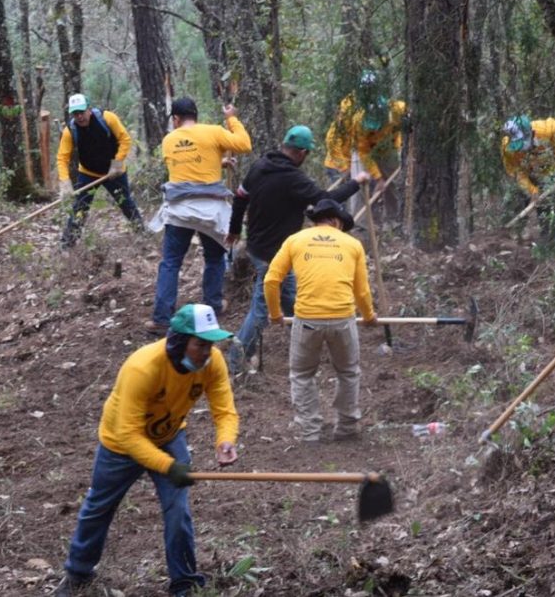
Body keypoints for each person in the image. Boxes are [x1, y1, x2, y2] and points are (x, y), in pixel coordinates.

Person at [56, 303, 239, 597]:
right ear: (179, 341)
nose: (206, 352)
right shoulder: (142, 367)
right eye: (200, 345)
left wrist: (225, 441)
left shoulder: (212, 362)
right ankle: (78, 573)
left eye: (211, 344)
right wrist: (169, 466)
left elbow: (224, 410)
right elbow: (128, 435)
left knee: (178, 511)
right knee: (98, 508)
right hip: (119, 445)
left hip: (168, 436)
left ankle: (184, 583)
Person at [226, 125, 370, 368]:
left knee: (291, 297)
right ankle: (236, 360)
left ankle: (312, 339)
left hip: (261, 245)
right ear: (302, 153)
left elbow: (240, 197)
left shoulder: (260, 166)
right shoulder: (293, 178)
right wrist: (356, 182)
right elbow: (327, 200)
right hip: (273, 252)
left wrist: (234, 229)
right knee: (261, 311)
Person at [265, 199, 377, 442]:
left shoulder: (295, 240)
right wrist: (368, 316)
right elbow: (362, 292)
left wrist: (275, 314)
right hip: (343, 320)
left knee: (302, 374)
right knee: (348, 372)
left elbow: (271, 281)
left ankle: (309, 431)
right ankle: (347, 428)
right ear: (336, 221)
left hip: (306, 320)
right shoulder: (352, 244)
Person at [146, 97, 252, 333]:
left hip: (179, 211)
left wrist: (218, 161)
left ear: (175, 119)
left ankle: (162, 318)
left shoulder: (168, 140)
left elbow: (184, 168)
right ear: (196, 116)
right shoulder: (213, 132)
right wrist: (231, 118)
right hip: (210, 211)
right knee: (214, 259)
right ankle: (213, 306)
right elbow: (244, 144)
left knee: (171, 263)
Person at [57, 93, 145, 248]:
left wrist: (117, 163)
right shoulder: (69, 131)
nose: (79, 117)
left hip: (114, 172)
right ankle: (67, 243)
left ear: (89, 109)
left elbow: (125, 139)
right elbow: (62, 158)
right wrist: (65, 182)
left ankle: (142, 233)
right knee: (80, 207)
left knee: (126, 203)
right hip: (88, 173)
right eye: (75, 113)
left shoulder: (107, 118)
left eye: (82, 112)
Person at [323, 70, 407, 218]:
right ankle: (352, 223)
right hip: (345, 157)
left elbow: (398, 130)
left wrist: (398, 148)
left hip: (376, 152)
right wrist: (345, 166)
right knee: (351, 191)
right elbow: (340, 143)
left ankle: (385, 221)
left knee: (380, 187)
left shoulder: (394, 109)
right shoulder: (351, 110)